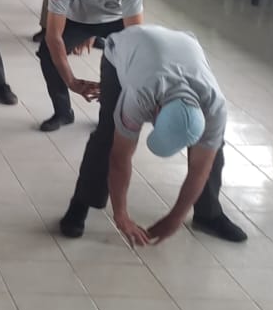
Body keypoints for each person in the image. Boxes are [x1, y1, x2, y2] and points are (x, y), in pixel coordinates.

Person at [57, 24, 248, 244]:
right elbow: (120, 158)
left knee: (213, 150)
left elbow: (200, 168)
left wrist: (174, 219)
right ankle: (81, 203)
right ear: (155, 110)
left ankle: (208, 214)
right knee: (108, 136)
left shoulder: (215, 108)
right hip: (127, 47)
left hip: (180, 47)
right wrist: (121, 215)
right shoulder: (141, 95)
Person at [38, 0, 143, 132]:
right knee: (48, 53)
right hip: (76, 18)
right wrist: (71, 81)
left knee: (114, 62)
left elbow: (135, 38)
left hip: (115, 19)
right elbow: (53, 36)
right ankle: (63, 112)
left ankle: (109, 117)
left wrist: (113, 87)